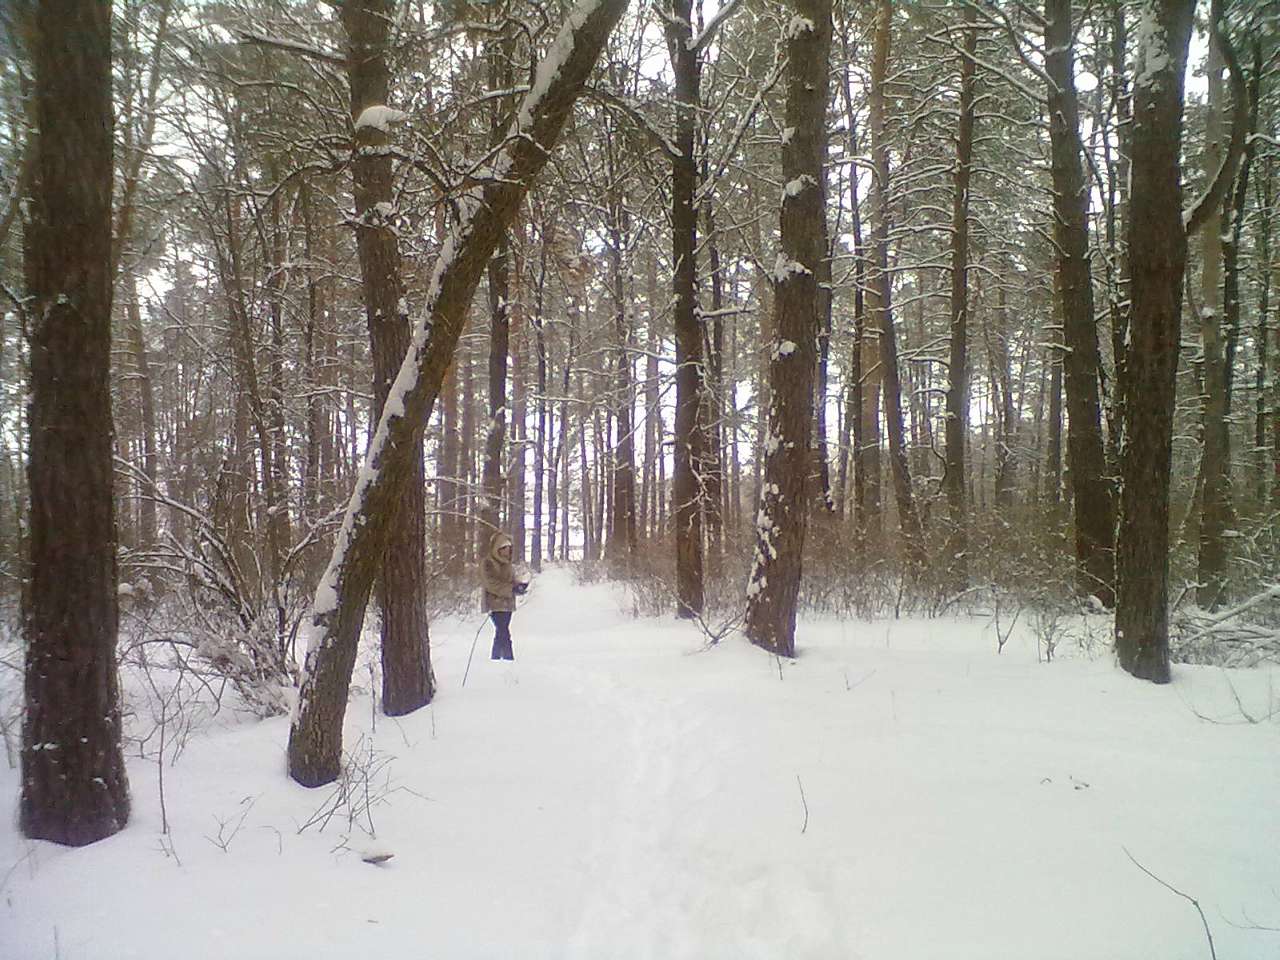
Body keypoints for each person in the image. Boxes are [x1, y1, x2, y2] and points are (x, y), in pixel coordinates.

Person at [481, 532, 526, 660]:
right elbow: (490, 583)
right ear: (498, 549)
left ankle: (498, 659)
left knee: (502, 631)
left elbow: (511, 580)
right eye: (504, 548)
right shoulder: (488, 563)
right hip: (494, 603)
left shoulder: (508, 564)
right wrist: (510, 589)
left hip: (507, 604)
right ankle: (507, 658)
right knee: (503, 631)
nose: (507, 551)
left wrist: (519, 586)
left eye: (509, 548)